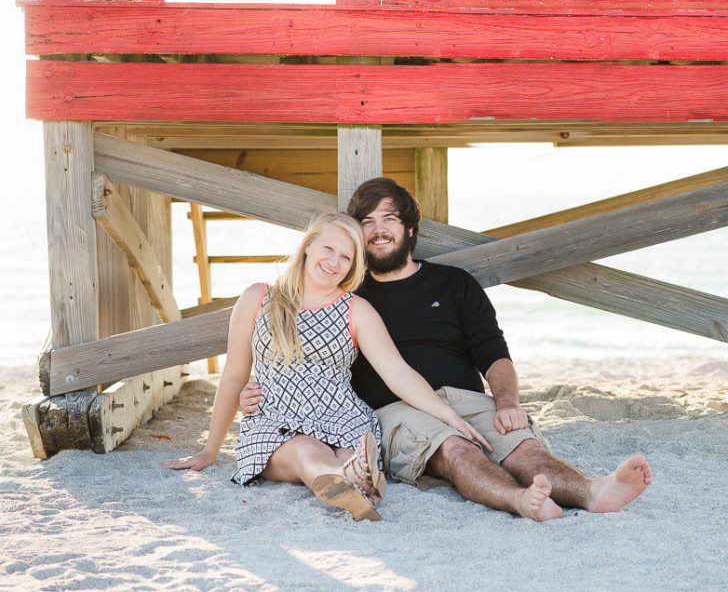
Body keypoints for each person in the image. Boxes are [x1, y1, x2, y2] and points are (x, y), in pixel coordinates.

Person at [240, 180, 653, 521]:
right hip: (394, 410)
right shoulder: (345, 292)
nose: (378, 229)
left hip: (467, 398)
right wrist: (257, 390)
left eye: (390, 218)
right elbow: (300, 349)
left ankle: (593, 491)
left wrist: (508, 401)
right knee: (454, 448)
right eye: (367, 221)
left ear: (411, 230)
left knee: (524, 446)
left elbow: (494, 354)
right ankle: (517, 501)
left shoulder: (455, 284)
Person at [160, 211, 503, 522]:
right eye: (328, 249)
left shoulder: (357, 310)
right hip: (276, 419)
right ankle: (350, 479)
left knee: (357, 454)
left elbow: (397, 373)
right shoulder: (258, 298)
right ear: (307, 246)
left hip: (342, 417)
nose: (334, 262)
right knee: (307, 453)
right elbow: (234, 374)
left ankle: (359, 479)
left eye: (345, 257)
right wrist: (210, 449)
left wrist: (448, 415)